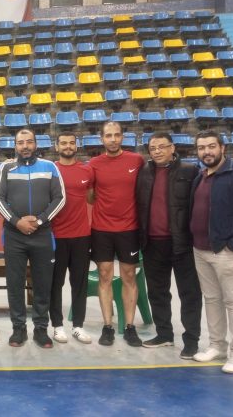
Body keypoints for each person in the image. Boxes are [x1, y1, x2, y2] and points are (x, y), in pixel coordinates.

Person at [189, 130, 233, 374]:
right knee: (212, 299)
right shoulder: (201, 176)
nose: (206, 152)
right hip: (201, 249)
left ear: (222, 148)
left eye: (211, 146)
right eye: (201, 148)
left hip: (229, 251)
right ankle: (217, 346)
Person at [0, 129, 66, 348]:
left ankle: (41, 329)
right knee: (15, 284)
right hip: (14, 235)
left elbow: (60, 198)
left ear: (36, 144)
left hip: (42, 235)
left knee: (42, 284)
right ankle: (18, 329)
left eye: (29, 142)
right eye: (20, 142)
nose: (25, 146)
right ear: (15, 146)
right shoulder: (5, 168)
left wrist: (40, 221)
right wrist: (17, 222)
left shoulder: (50, 167)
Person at [136, 132, 202, 359]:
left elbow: (197, 206)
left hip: (182, 243)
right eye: (153, 148)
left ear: (172, 148)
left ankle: (191, 341)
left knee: (189, 294)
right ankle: (164, 334)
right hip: (152, 243)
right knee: (157, 293)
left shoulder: (190, 171)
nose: (157, 151)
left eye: (162, 147)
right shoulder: (144, 172)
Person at [88, 121, 145, 347]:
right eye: (108, 135)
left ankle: (130, 327)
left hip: (129, 229)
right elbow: (90, 196)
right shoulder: (94, 164)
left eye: (117, 135)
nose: (113, 139)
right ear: (101, 139)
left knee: (129, 276)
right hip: (101, 229)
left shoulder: (136, 160)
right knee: (105, 276)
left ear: (123, 137)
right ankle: (107, 326)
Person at [50, 131, 93, 344]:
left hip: (81, 236)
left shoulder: (87, 170)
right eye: (64, 143)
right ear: (57, 146)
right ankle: (57, 326)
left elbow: (92, 197)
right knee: (55, 284)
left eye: (71, 143)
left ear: (76, 146)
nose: (68, 146)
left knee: (79, 284)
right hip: (56, 237)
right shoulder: (50, 169)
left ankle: (78, 326)